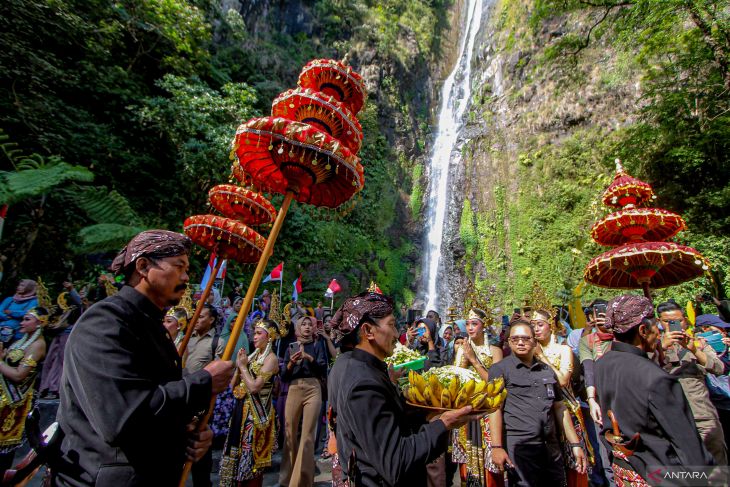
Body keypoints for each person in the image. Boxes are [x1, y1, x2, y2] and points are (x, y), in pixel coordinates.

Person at [52, 230, 235, 486]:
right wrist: (204, 381)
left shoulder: (152, 325)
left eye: (188, 270)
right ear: (143, 266)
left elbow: (159, 402)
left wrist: (190, 433)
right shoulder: (105, 322)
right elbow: (123, 418)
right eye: (178, 267)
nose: (185, 277)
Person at [328, 291, 479, 486]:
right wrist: (443, 424)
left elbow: (387, 422)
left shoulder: (352, 365)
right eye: (391, 325)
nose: (396, 333)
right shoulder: (364, 383)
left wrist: (426, 414)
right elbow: (395, 462)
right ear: (368, 331)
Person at [594, 295, 714, 485]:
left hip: (627, 470)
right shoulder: (656, 378)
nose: (659, 334)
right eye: (655, 328)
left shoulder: (602, 364)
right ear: (643, 330)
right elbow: (689, 447)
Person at [489, 321, 587, 486]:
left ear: (534, 341)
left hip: (551, 447)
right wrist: (496, 447)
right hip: (521, 447)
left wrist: (575, 444)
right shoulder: (500, 369)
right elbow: (494, 409)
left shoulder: (547, 370)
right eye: (515, 339)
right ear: (509, 342)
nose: (520, 342)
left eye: (526, 338)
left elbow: (559, 407)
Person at [657, 300, 728, 465]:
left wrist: (694, 349)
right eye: (667, 322)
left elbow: (719, 368)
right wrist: (661, 348)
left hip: (703, 415)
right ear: (659, 322)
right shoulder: (654, 344)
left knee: (717, 464)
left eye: (678, 320)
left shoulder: (698, 342)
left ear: (686, 320)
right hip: (673, 417)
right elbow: (642, 369)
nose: (673, 325)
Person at [532, 308, 591, 487]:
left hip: (566, 410)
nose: (536, 329)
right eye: (533, 325)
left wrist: (541, 357)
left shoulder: (563, 350)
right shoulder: (530, 351)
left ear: (551, 326)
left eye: (540, 325)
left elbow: (563, 381)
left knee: (573, 462)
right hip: (543, 412)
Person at [219, 319, 281, 486]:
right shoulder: (252, 357)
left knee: (250, 460)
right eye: (254, 333)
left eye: (259, 333)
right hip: (241, 410)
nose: (254, 337)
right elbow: (233, 386)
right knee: (235, 454)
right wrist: (239, 367)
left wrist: (243, 367)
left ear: (270, 337)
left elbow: (254, 387)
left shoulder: (271, 359)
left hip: (256, 415)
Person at [452, 308, 504, 487]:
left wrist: (473, 359)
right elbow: (455, 379)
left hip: (489, 410)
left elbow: (495, 383)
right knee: (468, 462)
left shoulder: (495, 351)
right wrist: (463, 358)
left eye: (474, 324)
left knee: (491, 462)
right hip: (468, 409)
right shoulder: (463, 349)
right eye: (467, 324)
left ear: (484, 326)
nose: (470, 328)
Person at [279, 315, 328, 487]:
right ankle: (287, 478)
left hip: (313, 388)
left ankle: (302, 481)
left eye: (309, 324)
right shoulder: (290, 347)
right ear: (298, 328)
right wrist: (291, 363)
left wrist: (309, 357)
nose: (307, 327)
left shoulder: (317, 344)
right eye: (303, 324)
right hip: (294, 388)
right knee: (290, 434)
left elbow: (323, 369)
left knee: (308, 435)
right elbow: (283, 376)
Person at [0, 307, 48, 472]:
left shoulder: (38, 345)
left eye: (27, 319)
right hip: (5, 399)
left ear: (40, 322)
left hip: (14, 403)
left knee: (3, 452)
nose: (22, 322)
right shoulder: (22, 341)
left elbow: (19, 375)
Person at [185, 303, 225, 487]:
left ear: (211, 320)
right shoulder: (184, 338)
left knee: (201, 455)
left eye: (202, 316)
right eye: (196, 315)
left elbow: (218, 373)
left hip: (201, 403)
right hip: (177, 399)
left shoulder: (217, 342)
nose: (197, 319)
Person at [39, 283, 83, 400]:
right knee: (49, 361)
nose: (82, 294)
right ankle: (44, 387)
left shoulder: (78, 308)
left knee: (61, 362)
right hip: (58, 335)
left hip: (68, 335)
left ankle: (55, 388)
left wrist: (72, 290)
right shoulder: (63, 309)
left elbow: (79, 303)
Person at [0, 279, 39, 344]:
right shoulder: (10, 299)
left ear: (29, 288)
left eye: (22, 286)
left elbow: (27, 313)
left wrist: (11, 313)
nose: (18, 287)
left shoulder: (33, 301)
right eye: (19, 285)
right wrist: (6, 317)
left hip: (17, 332)